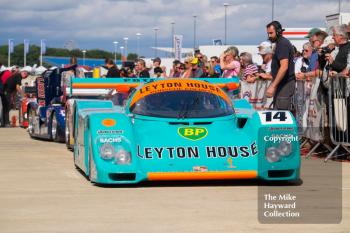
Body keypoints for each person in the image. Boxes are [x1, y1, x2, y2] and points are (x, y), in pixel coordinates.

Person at [265, 21, 296, 110]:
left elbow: (284, 67)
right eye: (268, 33)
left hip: (285, 84)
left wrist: (273, 86)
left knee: (281, 117)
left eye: (271, 33)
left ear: (278, 31)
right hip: (282, 85)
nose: (269, 36)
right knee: (277, 113)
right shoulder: (280, 43)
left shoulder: (282, 44)